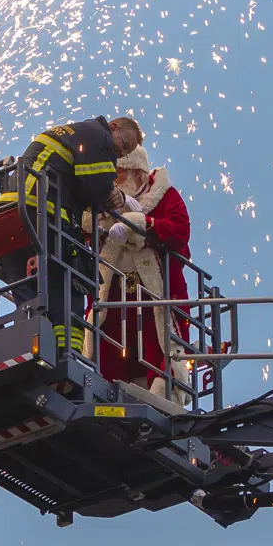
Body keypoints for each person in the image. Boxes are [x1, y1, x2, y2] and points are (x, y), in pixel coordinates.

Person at [0, 115, 142, 354]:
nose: (120, 153)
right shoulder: (99, 136)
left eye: (126, 152)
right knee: (73, 280)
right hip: (43, 213)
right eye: (124, 144)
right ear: (113, 128)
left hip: (10, 213)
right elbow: (99, 186)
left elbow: (79, 185)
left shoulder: (73, 133)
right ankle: (67, 355)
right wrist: (114, 196)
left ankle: (32, 343)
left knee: (26, 286)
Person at [89, 142, 192, 394]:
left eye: (119, 173)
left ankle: (164, 390)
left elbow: (180, 230)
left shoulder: (164, 194)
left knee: (160, 346)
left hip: (154, 292)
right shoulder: (102, 202)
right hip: (115, 292)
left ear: (137, 172)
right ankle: (104, 390)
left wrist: (142, 224)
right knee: (107, 347)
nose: (113, 180)